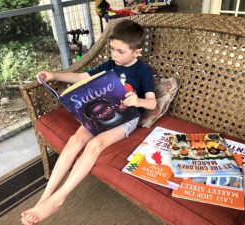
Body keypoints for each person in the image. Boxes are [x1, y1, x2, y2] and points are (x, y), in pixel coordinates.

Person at [21, 19, 157, 225]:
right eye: (112, 49)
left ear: (137, 52)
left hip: (127, 118)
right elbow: (83, 77)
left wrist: (137, 100)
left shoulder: (142, 71)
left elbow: (152, 104)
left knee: (94, 144)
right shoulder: (111, 64)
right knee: (76, 140)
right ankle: (44, 198)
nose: (114, 55)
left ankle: (59, 198)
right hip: (103, 113)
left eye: (120, 51)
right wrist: (54, 75)